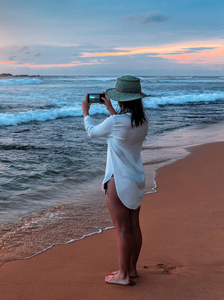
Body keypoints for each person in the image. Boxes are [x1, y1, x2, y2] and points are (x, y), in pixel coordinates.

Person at [82, 75, 149, 286]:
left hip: (117, 181)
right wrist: (111, 111)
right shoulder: (142, 121)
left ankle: (122, 275)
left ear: (120, 99)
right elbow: (121, 127)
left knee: (121, 229)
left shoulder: (116, 122)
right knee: (134, 227)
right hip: (136, 179)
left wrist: (85, 112)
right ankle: (131, 269)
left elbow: (92, 132)